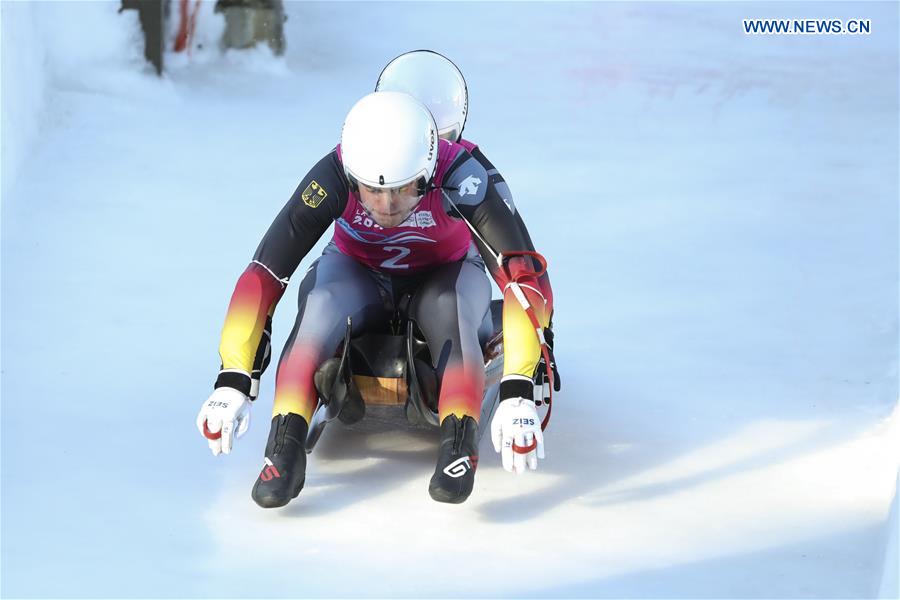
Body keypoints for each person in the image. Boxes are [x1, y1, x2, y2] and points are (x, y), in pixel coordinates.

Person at [196, 90, 553, 507]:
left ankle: (459, 445)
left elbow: (523, 274)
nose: (387, 206)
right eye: (372, 191)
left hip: (445, 275)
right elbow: (266, 271)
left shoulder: (462, 172)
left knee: (449, 307)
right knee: (320, 304)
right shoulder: (331, 173)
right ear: (350, 176)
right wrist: (234, 375)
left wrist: (517, 384)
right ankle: (284, 446)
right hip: (356, 271)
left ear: (429, 171)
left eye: (404, 190)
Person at [375, 49, 560, 449]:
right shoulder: (370, 167)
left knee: (456, 301)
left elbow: (521, 261)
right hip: (384, 276)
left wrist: (520, 380)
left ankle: (478, 345)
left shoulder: (472, 174)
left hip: (449, 279)